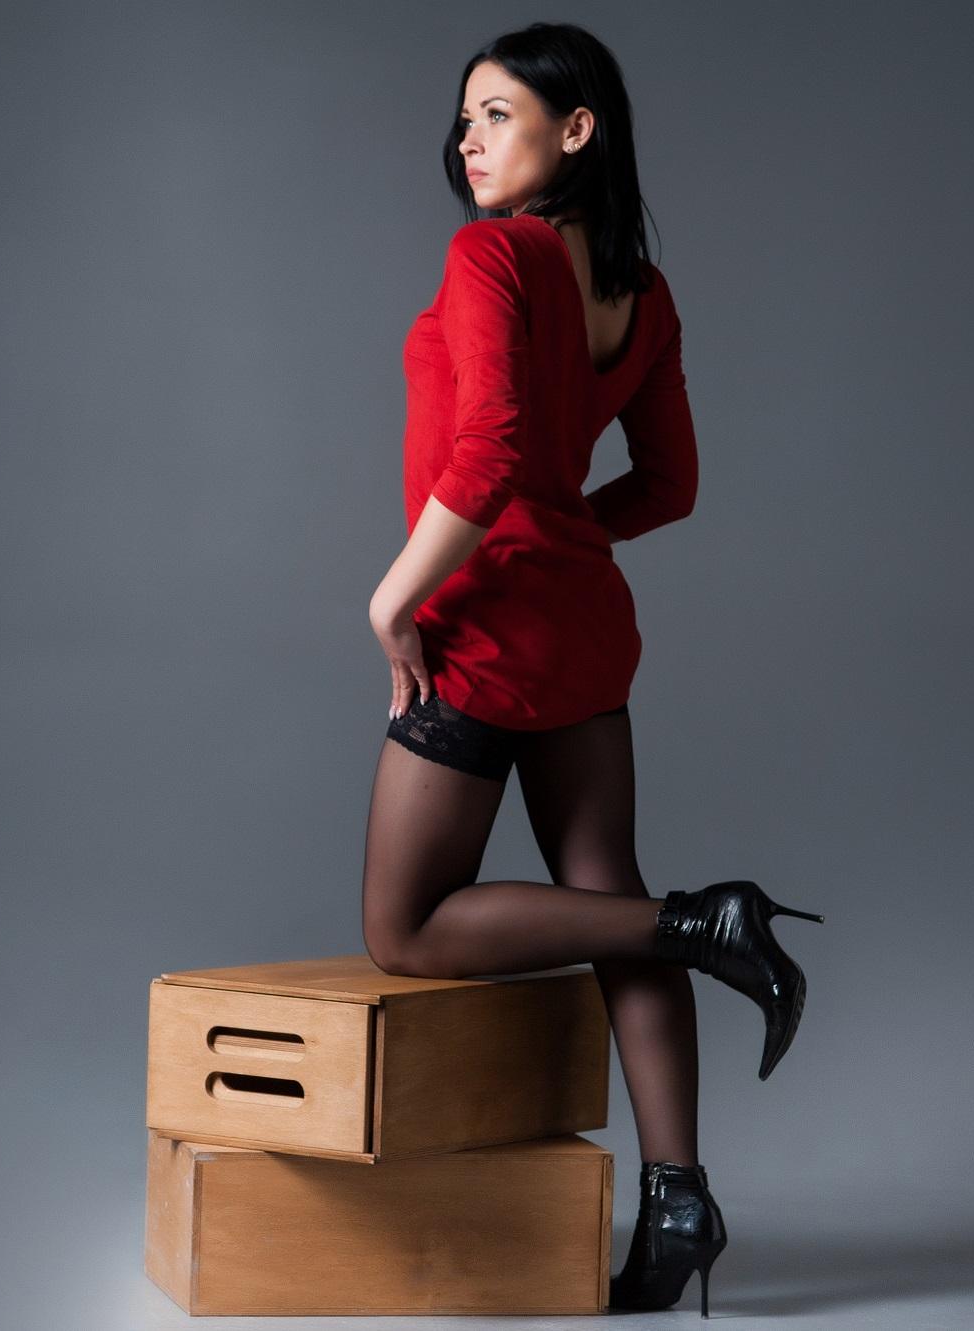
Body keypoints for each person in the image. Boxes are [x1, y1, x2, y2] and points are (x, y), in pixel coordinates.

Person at [360, 22, 825, 1317]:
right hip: (582, 625)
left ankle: (702, 923)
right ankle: (679, 1205)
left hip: (485, 627)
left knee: (406, 929)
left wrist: (395, 599)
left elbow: (494, 447)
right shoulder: (644, 292)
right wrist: (563, 537)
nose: (467, 140)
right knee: (606, 892)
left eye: (497, 114)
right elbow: (668, 487)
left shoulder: (493, 254)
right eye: (464, 118)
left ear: (577, 130)